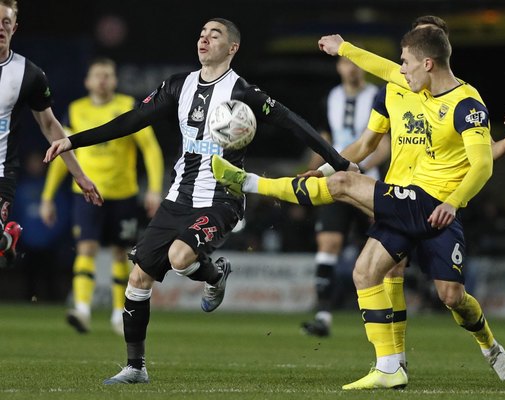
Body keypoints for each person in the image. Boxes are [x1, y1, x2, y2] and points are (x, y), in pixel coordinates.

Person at [43, 18, 356, 385]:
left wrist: (339, 162)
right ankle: (136, 367)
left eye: (215, 34)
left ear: (233, 48)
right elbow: (132, 120)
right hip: (177, 198)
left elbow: (294, 123)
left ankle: (211, 274)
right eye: (202, 33)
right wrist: (73, 140)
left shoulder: (244, 93)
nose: (204, 38)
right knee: (138, 277)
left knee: (179, 257)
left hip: (222, 198)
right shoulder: (179, 85)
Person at [212, 24, 505, 389]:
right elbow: (367, 133)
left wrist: (457, 198)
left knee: (451, 296)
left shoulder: (466, 105)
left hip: (435, 205)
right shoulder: (402, 85)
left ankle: (490, 346)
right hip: (399, 197)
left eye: (405, 61)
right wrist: (343, 48)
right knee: (368, 272)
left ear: (428, 61)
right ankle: (391, 366)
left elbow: (481, 162)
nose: (399, 68)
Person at [39, 58, 164, 335]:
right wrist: (47, 196)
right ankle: (82, 309)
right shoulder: (76, 110)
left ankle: (119, 315)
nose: (103, 80)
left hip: (123, 194)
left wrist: (154, 189)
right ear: (87, 81)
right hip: (84, 194)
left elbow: (151, 149)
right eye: (98, 75)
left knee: (121, 254)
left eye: (108, 75)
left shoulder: (128, 106)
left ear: (115, 80)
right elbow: (63, 154)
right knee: (86, 248)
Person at [0, 0, 102, 268]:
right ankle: (6, 240)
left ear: (14, 28)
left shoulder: (28, 74)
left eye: (6, 22)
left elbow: (50, 126)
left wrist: (79, 174)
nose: (0, 28)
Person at [302, 55, 389, 337]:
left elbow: (385, 145)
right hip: (335, 182)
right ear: (339, 67)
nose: (351, 68)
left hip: (368, 182)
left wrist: (358, 168)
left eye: (355, 62)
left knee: (389, 250)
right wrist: (310, 171)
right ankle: (323, 315)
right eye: (345, 63)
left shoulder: (379, 96)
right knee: (328, 242)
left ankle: (393, 314)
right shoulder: (331, 98)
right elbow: (324, 141)